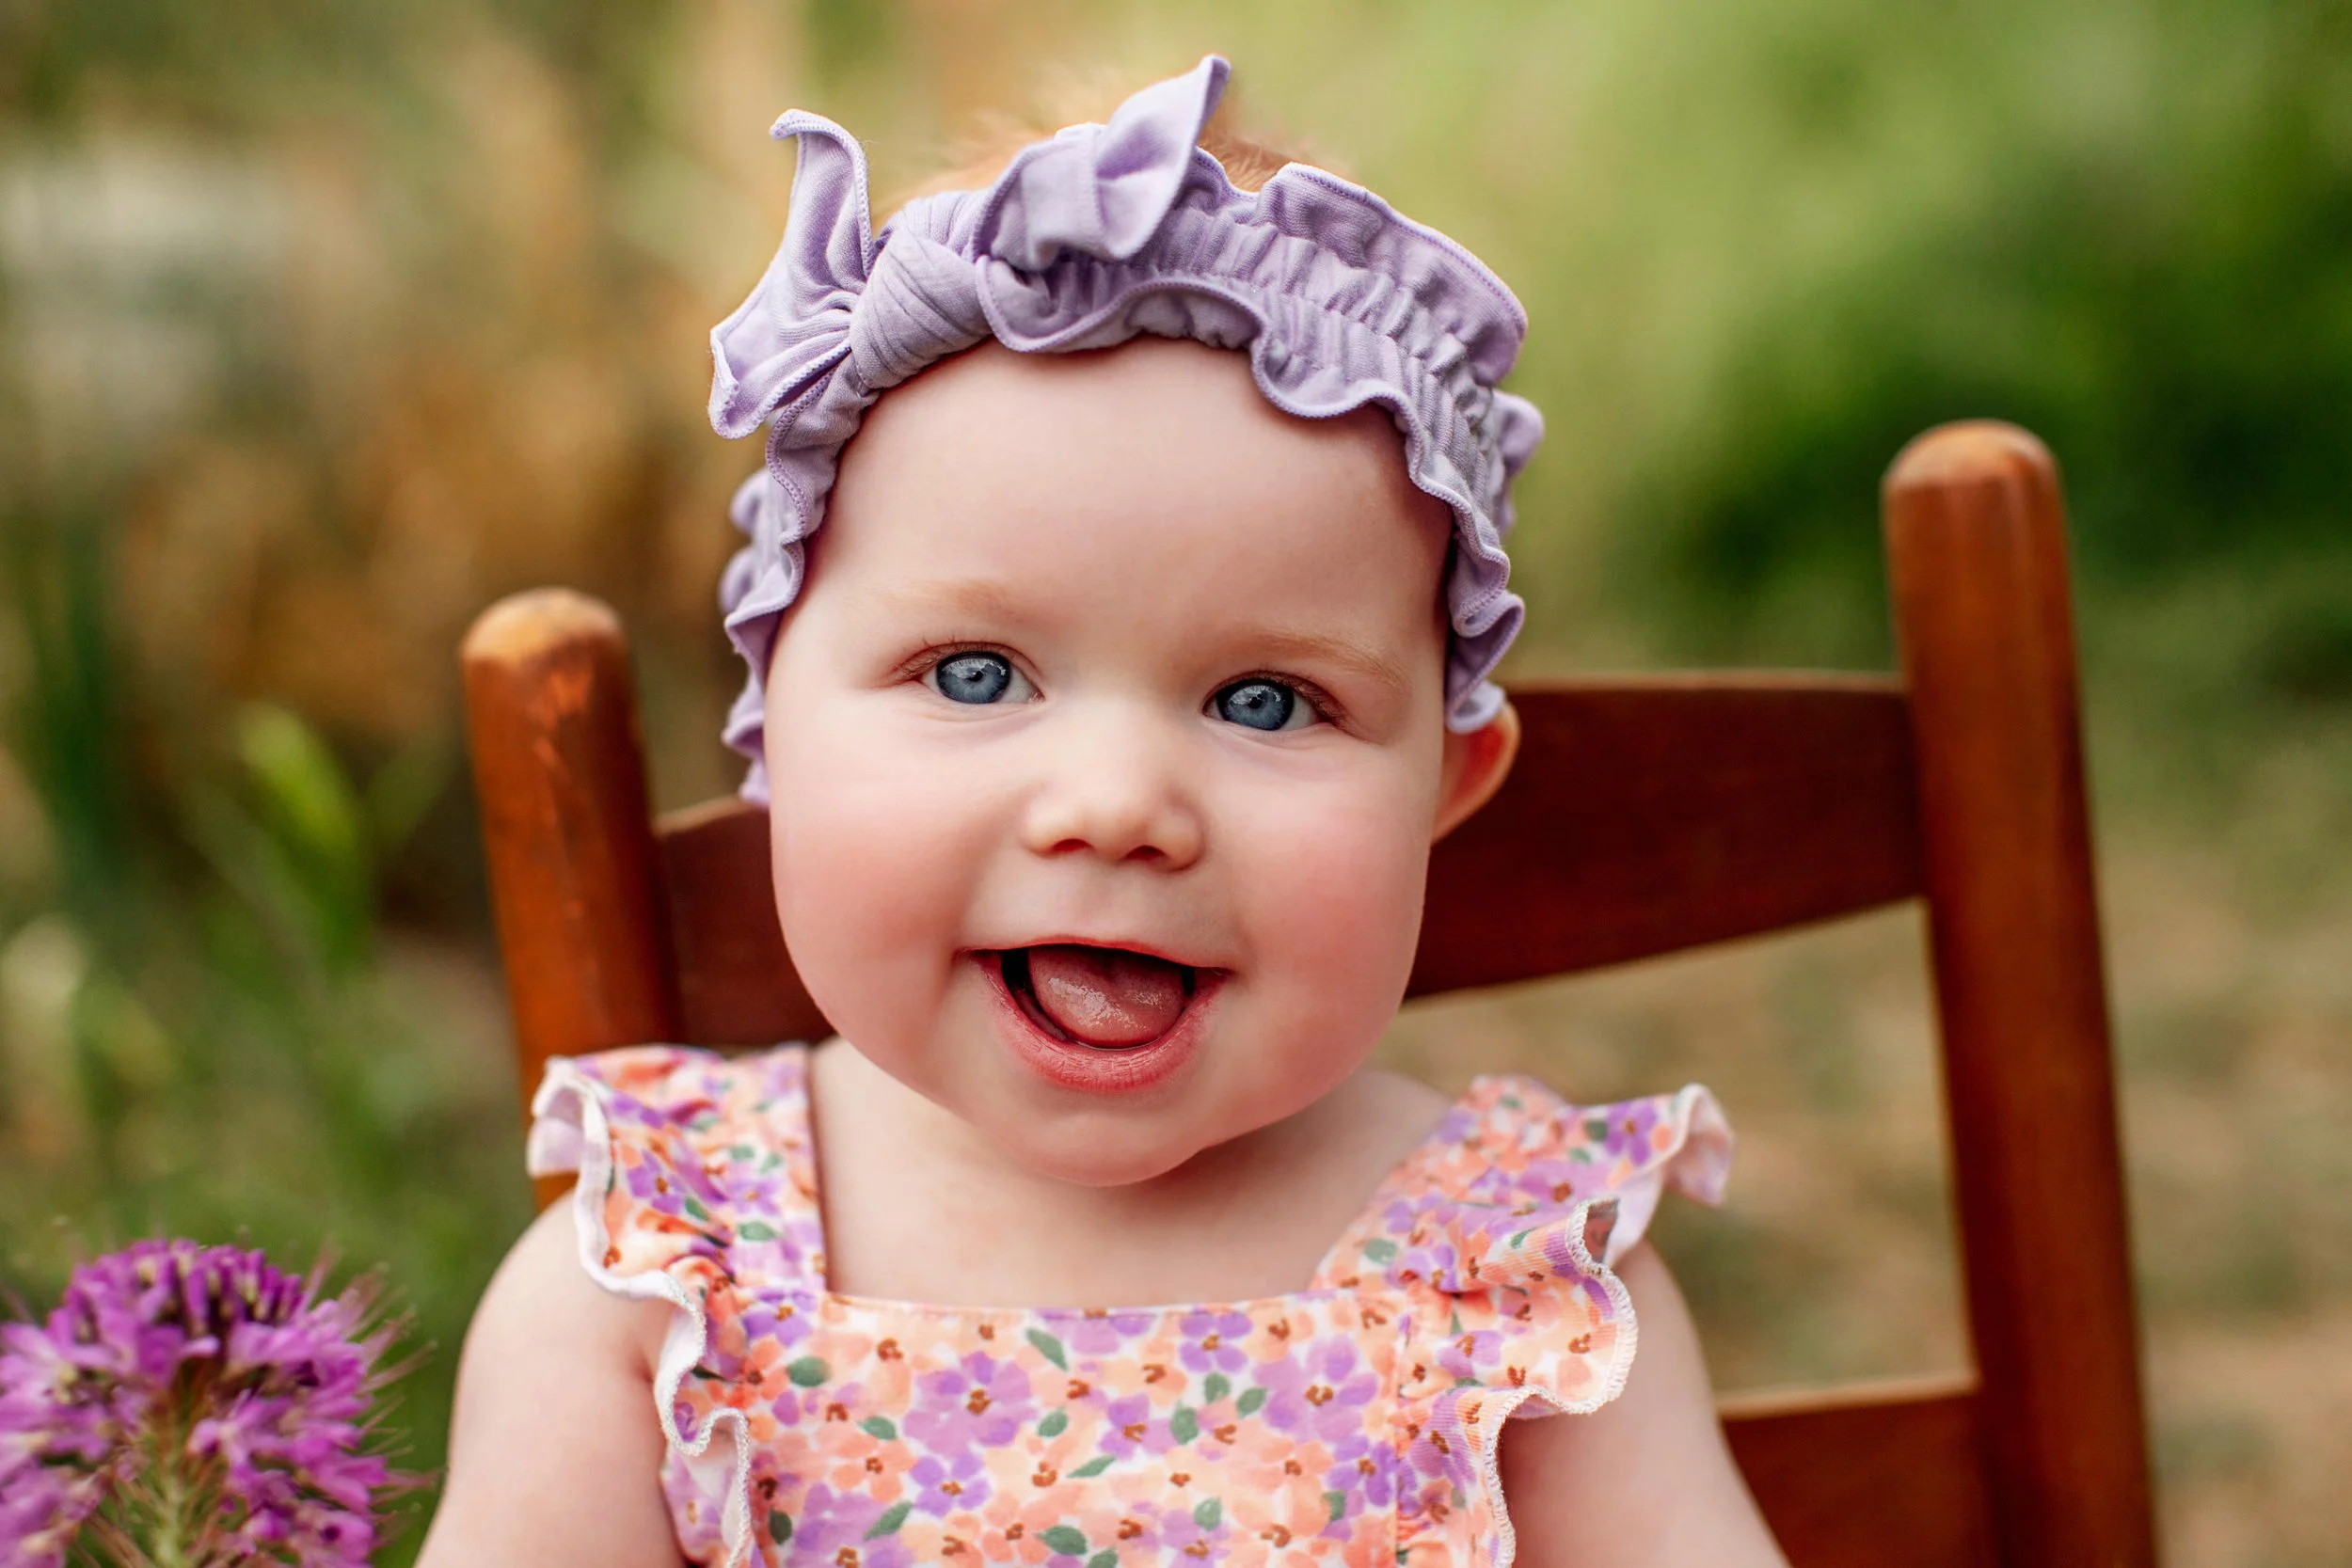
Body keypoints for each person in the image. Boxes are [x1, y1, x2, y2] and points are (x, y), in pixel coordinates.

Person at [418, 56, 1787, 1568]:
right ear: (771, 722)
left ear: (1441, 791)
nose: (1120, 806)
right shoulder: (663, 1280)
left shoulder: (1524, 1286)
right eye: (978, 671)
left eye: (1267, 700)